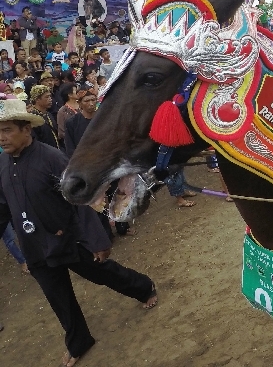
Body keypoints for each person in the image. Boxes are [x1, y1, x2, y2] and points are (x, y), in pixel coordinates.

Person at [0, 97, 157, 367]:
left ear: (26, 129)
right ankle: (79, 341)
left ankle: (143, 287)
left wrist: (97, 239)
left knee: (102, 273)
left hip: (67, 239)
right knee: (58, 297)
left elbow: (80, 201)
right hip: (35, 247)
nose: (2, 138)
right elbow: (3, 205)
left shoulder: (52, 159)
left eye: (7, 130)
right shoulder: (2, 164)